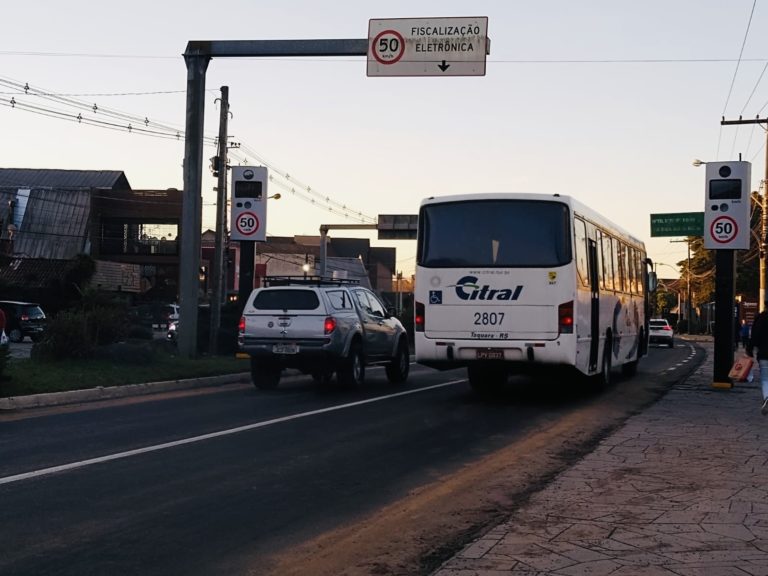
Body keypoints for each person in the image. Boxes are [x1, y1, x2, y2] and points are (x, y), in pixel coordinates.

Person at [747, 306, 768, 415]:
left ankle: (766, 397)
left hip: (764, 353)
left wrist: (749, 349)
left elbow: (755, 335)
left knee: (765, 378)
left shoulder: (761, 318)